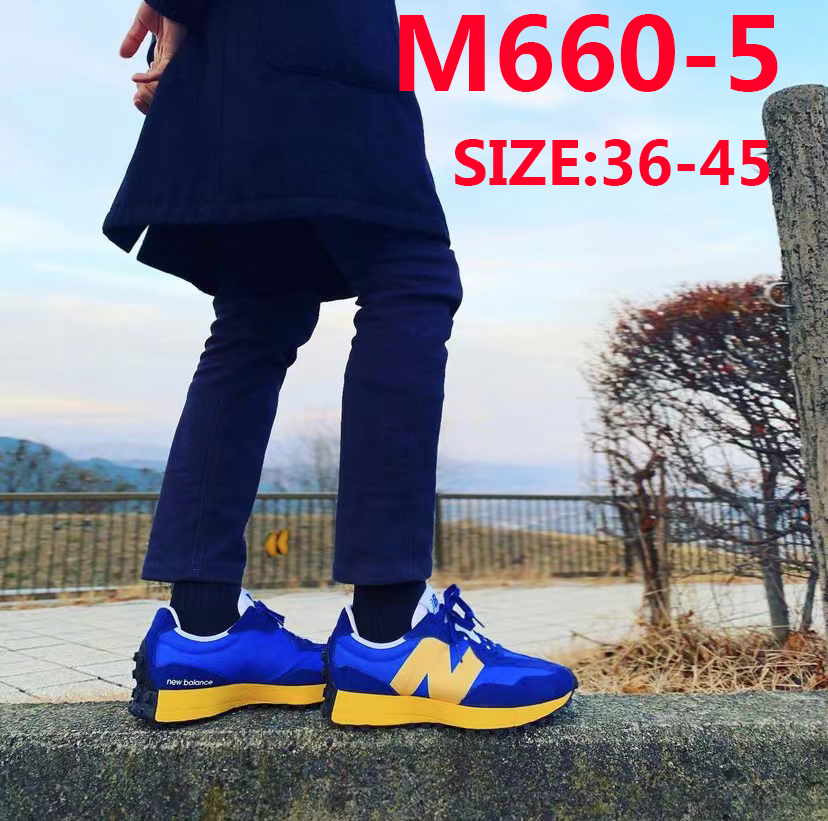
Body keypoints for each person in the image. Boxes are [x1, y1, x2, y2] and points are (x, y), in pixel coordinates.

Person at [104, 0, 576, 729]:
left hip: (234, 74)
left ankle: (202, 632)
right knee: (411, 272)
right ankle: (391, 634)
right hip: (321, 41)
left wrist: (179, 23)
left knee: (259, 313)